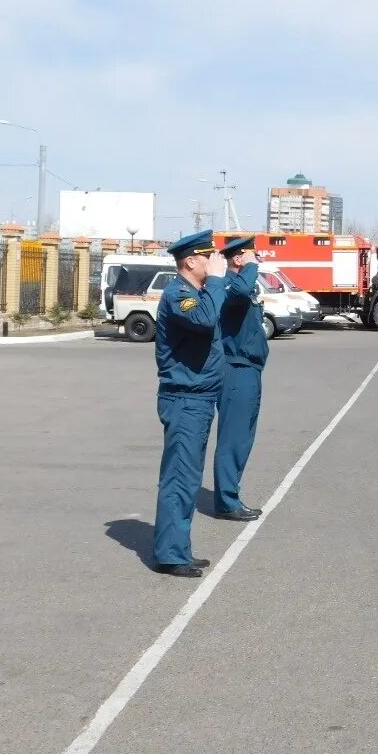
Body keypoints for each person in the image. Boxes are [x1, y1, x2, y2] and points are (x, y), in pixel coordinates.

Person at [152, 230, 228, 578]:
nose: (213, 262)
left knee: (188, 477)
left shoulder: (196, 292)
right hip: (185, 400)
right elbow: (204, 320)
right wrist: (215, 281)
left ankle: (178, 547)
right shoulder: (178, 295)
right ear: (190, 261)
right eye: (207, 256)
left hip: (198, 398)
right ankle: (170, 554)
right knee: (180, 479)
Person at [212, 237, 267, 522]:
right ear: (238, 258)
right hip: (235, 368)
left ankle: (230, 493)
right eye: (251, 254)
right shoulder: (230, 284)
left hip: (248, 367)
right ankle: (226, 501)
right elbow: (243, 288)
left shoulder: (239, 284)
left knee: (243, 437)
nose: (256, 258)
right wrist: (250, 267)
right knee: (233, 438)